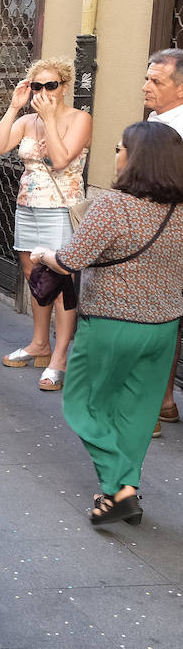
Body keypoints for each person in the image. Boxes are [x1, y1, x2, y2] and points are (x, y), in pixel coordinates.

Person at [31, 122, 183, 524]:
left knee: (83, 404)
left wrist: (45, 254)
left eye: (120, 148)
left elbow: (69, 261)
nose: (116, 155)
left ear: (135, 158)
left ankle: (122, 487)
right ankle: (121, 490)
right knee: (137, 411)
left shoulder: (115, 205)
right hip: (165, 326)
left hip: (111, 323)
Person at [0, 58, 91, 390]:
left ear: (64, 87)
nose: (44, 92)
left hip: (61, 209)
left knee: (60, 280)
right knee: (35, 278)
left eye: (51, 85)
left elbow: (62, 161)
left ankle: (59, 356)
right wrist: (13, 108)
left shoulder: (80, 118)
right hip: (27, 207)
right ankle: (39, 343)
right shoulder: (27, 120)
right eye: (37, 86)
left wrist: (48, 118)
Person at [142, 48, 183, 429]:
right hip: (159, 230)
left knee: (162, 318)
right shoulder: (159, 118)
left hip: (170, 234)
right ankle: (163, 401)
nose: (146, 86)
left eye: (156, 81)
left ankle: (154, 404)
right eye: (147, 78)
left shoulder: (178, 127)